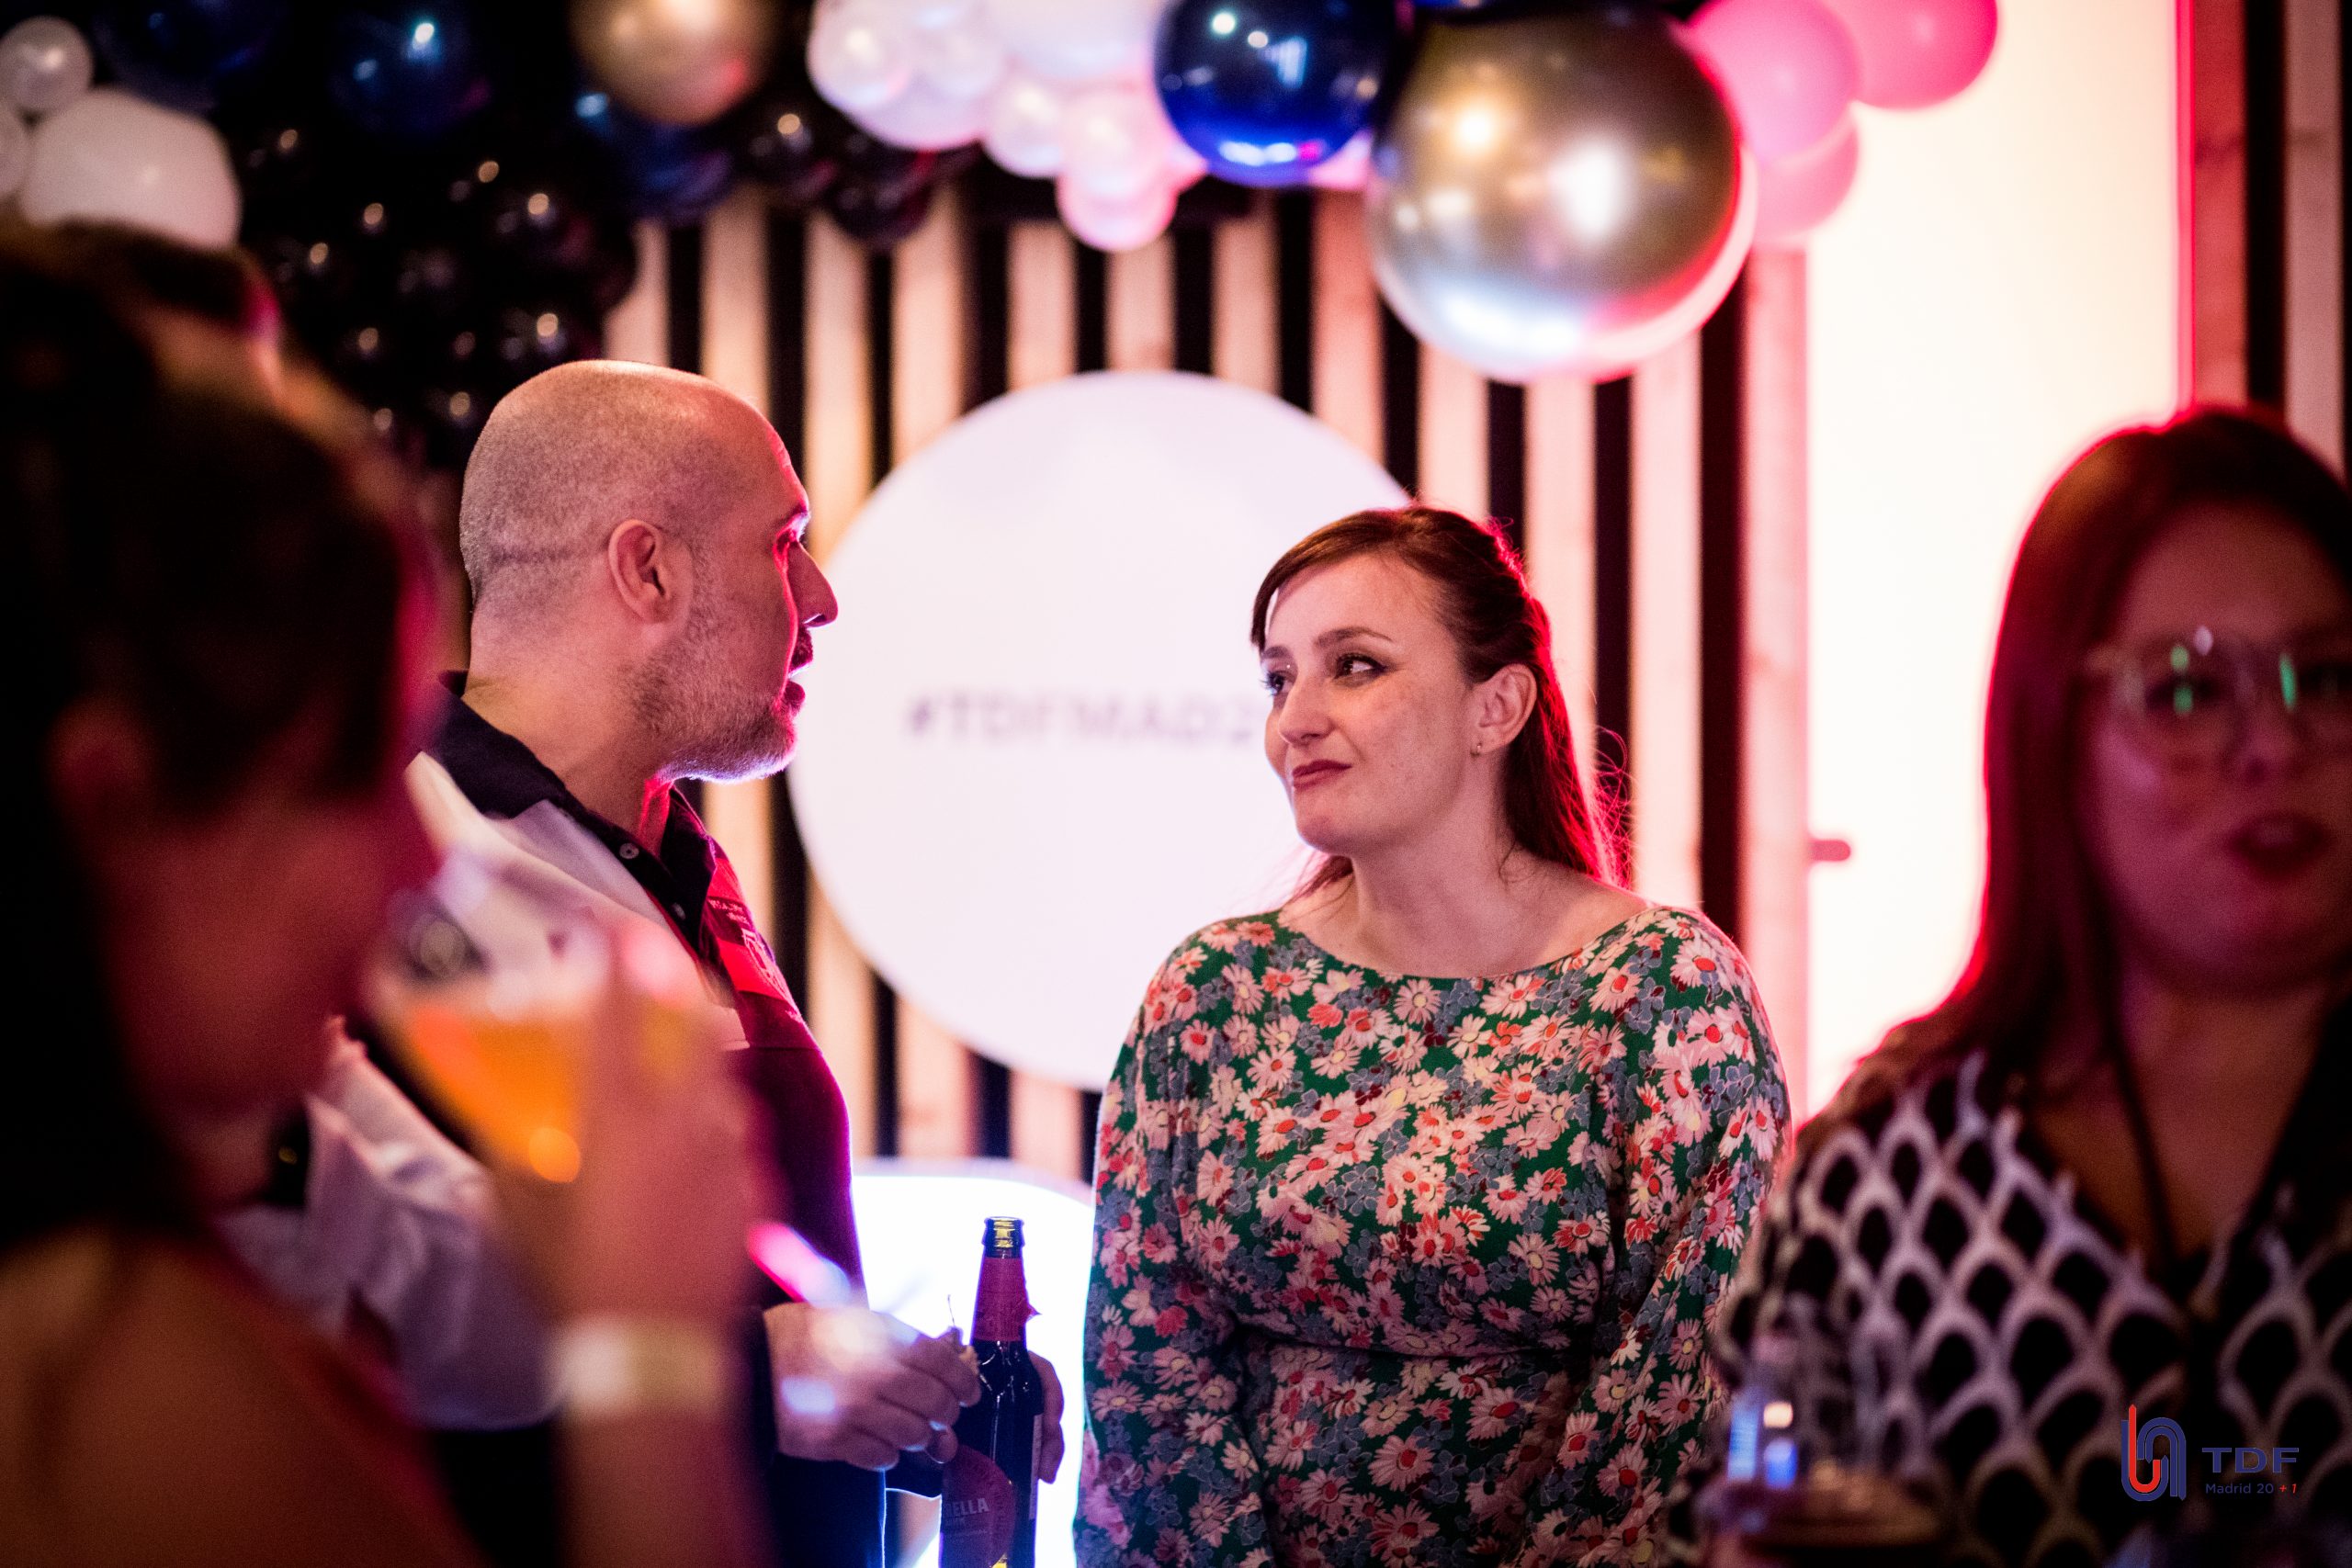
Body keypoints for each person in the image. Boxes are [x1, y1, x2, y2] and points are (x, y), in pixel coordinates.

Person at [2, 262, 765, 1566]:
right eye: (353, 772)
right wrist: (646, 1361)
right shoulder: (98, 1371)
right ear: (118, 807)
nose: (415, 863)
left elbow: (470, 1313)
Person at [1668, 410, 2352, 1567]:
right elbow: (1729, 1516)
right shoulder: (1889, 1171)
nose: (2273, 746)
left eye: (2325, 678)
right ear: (2049, 735)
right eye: (2188, 692)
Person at [433, 358, 1062, 1565]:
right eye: (784, 544)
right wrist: (738, 1370)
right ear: (648, 569)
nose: (822, 599)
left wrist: (898, 1393)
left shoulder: (678, 854)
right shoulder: (426, 855)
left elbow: (745, 1293)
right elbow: (367, 1316)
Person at [1078, 505, 1790, 1566]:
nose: (1294, 721)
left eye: (1354, 667)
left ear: (1494, 708)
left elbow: (1683, 1391)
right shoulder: (1213, 992)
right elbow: (1144, 1367)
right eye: (1278, 680)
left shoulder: (1662, 992)